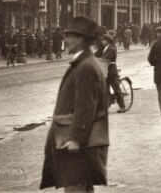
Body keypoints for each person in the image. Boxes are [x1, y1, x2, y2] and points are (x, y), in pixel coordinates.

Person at [40, 16, 109, 192]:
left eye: (70, 36)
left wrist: (76, 139)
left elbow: (85, 107)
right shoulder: (85, 63)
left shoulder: (85, 66)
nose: (66, 40)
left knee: (75, 188)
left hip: (76, 145)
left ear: (80, 39)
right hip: (75, 142)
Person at [98, 34, 127, 113]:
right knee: (105, 89)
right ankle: (107, 104)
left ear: (107, 41)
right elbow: (97, 55)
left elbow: (105, 58)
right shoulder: (104, 48)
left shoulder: (112, 48)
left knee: (116, 89)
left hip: (111, 71)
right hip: (105, 71)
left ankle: (122, 106)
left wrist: (98, 59)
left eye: (103, 40)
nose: (102, 41)